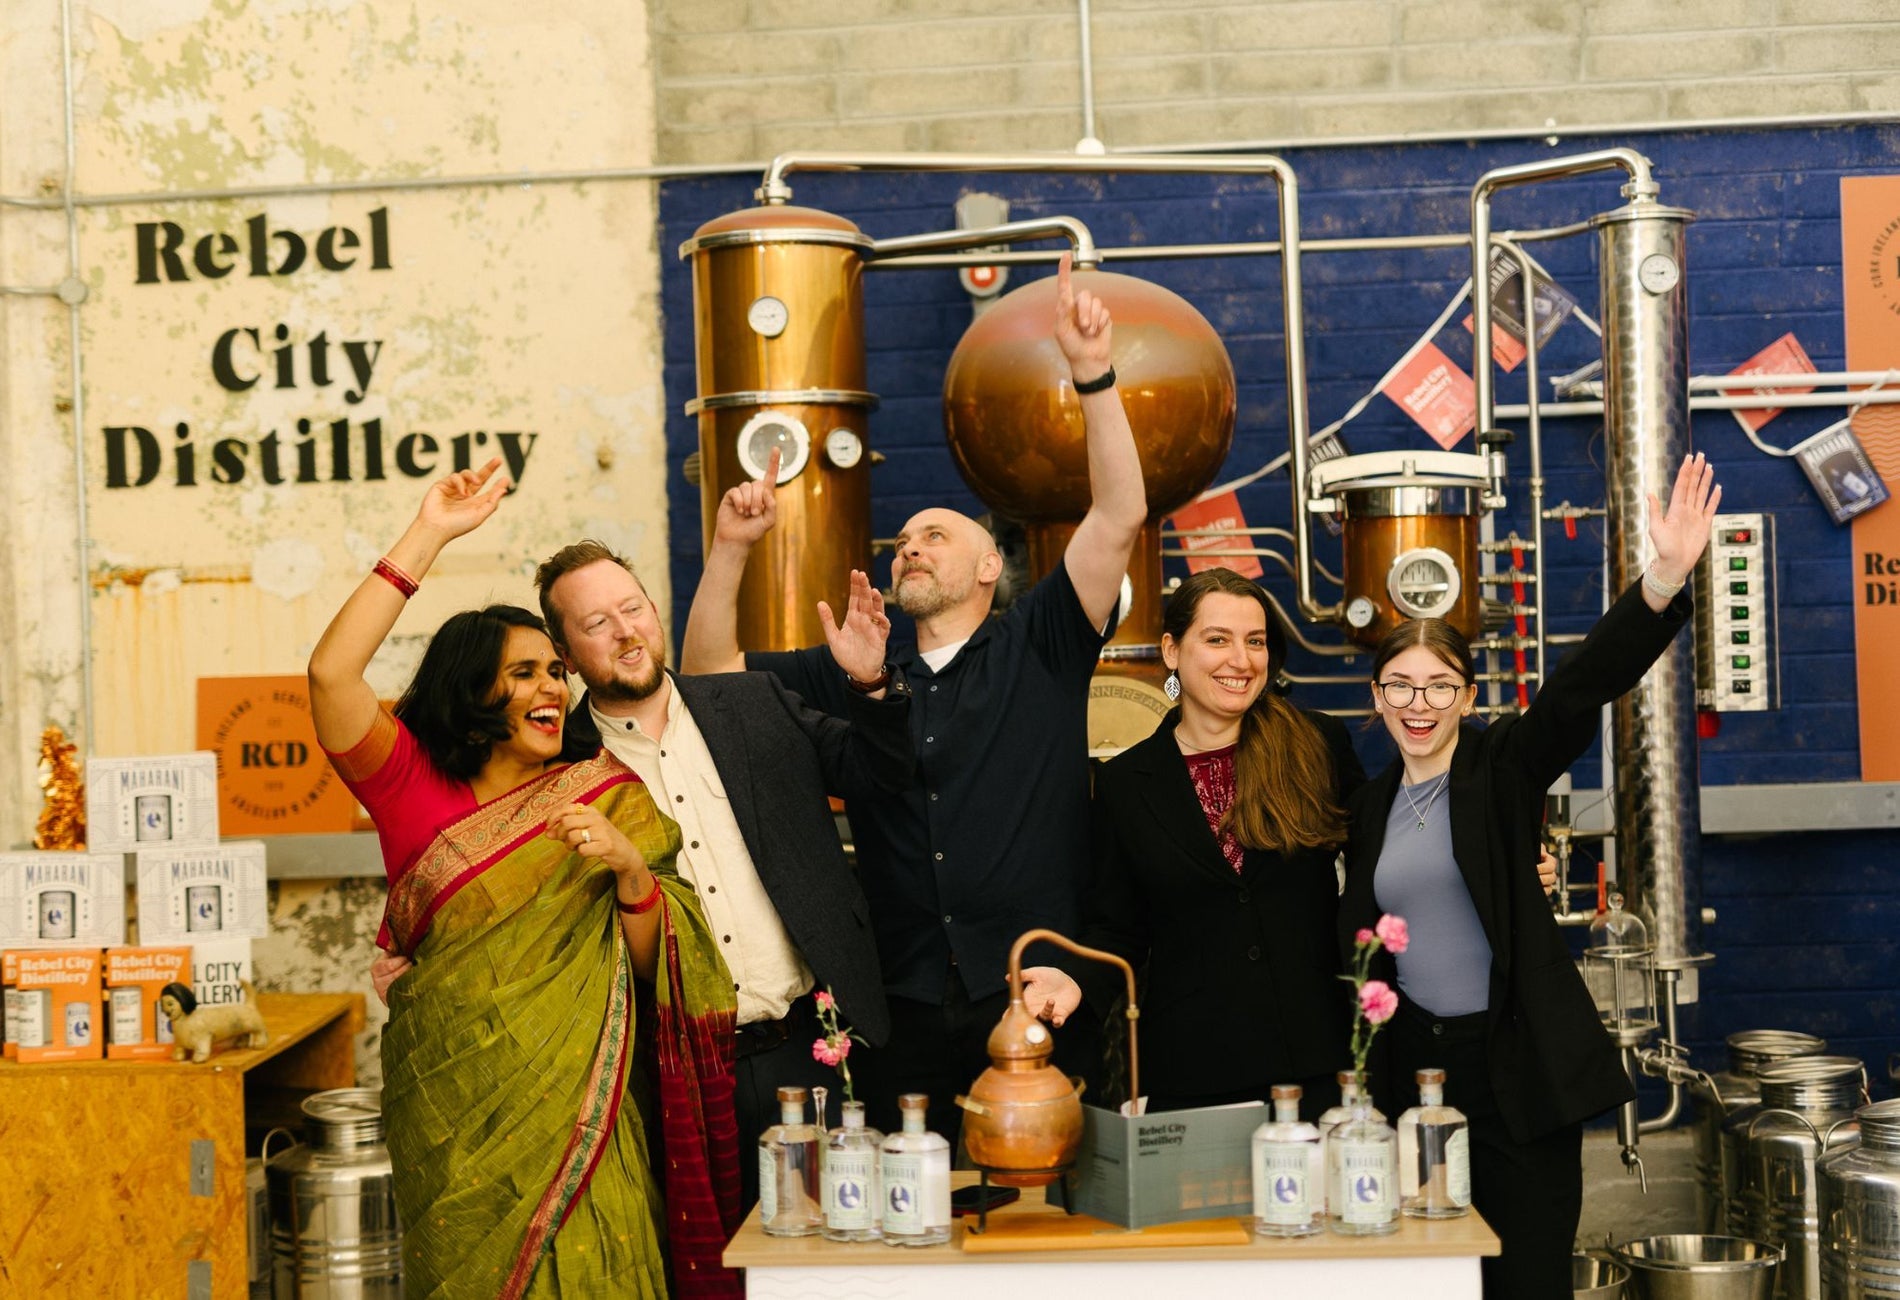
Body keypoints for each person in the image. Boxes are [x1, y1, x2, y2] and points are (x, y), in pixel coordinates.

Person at [680, 251, 1147, 1141]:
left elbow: (1118, 514)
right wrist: (732, 546)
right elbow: (706, 676)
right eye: (902, 543)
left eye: (937, 535)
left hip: (1030, 988)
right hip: (898, 1004)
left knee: (1044, 1231)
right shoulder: (854, 663)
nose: (912, 546)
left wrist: (1092, 375)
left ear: (987, 568)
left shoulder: (1038, 645)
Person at [310, 460, 739, 1298]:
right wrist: (429, 531)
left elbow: (664, 966)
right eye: (524, 673)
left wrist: (627, 870)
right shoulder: (406, 781)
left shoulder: (604, 794)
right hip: (457, 1119)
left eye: (555, 670)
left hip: (588, 1116)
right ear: (474, 692)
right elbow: (331, 674)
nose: (553, 687)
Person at [1339, 452, 1720, 1298]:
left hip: (1511, 1065)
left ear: (1469, 699)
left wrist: (1660, 579)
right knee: (1435, 1277)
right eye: (1398, 685)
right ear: (1375, 698)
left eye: (1440, 685)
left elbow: (1576, 694)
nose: (1419, 702)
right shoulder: (1367, 808)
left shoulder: (1500, 768)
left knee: (1526, 1278)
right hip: (1415, 1075)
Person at [533, 539, 913, 1209]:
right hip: (669, 1074)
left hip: (813, 1045)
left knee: (836, 1260)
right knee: (708, 1271)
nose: (626, 632)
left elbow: (877, 778)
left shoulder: (755, 702)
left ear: (655, 609)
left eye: (633, 608)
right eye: (597, 624)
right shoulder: (559, 770)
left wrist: (870, 685)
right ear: (564, 658)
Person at [1018, 566, 1367, 1117]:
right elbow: (1119, 926)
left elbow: (1384, 853)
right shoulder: (1124, 784)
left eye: (1255, 642)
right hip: (1193, 1070)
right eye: (1217, 639)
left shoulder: (1317, 744)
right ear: (1172, 650)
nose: (1242, 660)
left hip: (1322, 1062)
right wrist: (1077, 977)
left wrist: (1492, 865)